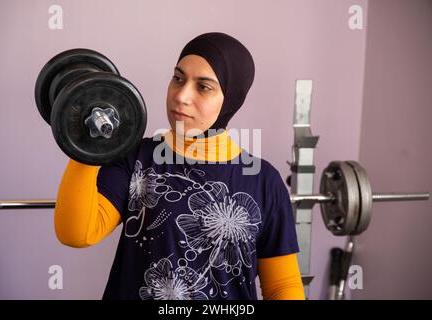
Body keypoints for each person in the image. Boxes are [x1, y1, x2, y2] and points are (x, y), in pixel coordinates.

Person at [54, 32, 305, 300]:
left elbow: (282, 286)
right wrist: (86, 142)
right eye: (178, 78)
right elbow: (77, 233)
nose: (181, 96)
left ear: (231, 99)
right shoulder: (135, 156)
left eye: (203, 87)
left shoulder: (264, 180)